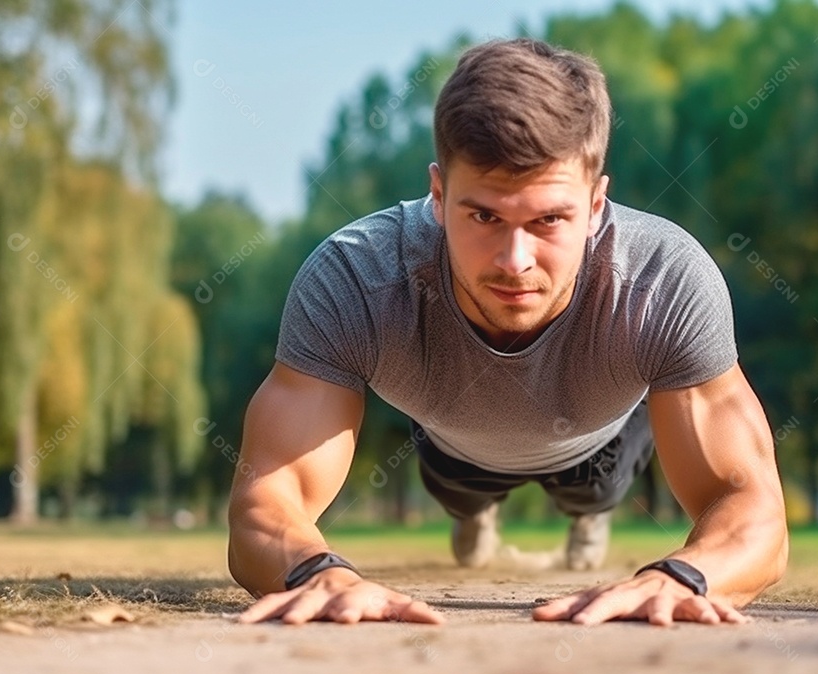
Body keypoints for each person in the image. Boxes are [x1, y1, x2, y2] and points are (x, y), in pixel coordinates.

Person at [230, 38, 788, 628]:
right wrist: (315, 573)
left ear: (597, 205)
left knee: (592, 493)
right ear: (439, 195)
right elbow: (266, 499)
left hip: (598, 444)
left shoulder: (665, 282)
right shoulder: (355, 276)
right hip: (453, 445)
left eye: (549, 218)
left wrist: (684, 577)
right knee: (461, 491)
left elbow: (755, 510)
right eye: (484, 216)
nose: (514, 261)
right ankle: (477, 511)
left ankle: (587, 513)